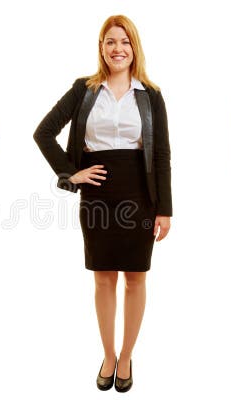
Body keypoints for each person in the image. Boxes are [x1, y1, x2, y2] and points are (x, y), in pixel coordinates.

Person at [33, 15, 172, 393]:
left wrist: (165, 209)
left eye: (124, 42)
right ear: (101, 48)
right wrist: (69, 174)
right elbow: (43, 132)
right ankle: (108, 354)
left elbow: (161, 155)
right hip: (97, 196)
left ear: (134, 48)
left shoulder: (150, 95)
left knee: (135, 278)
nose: (117, 48)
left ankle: (127, 355)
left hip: (140, 195)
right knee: (103, 277)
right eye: (110, 41)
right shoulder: (85, 90)